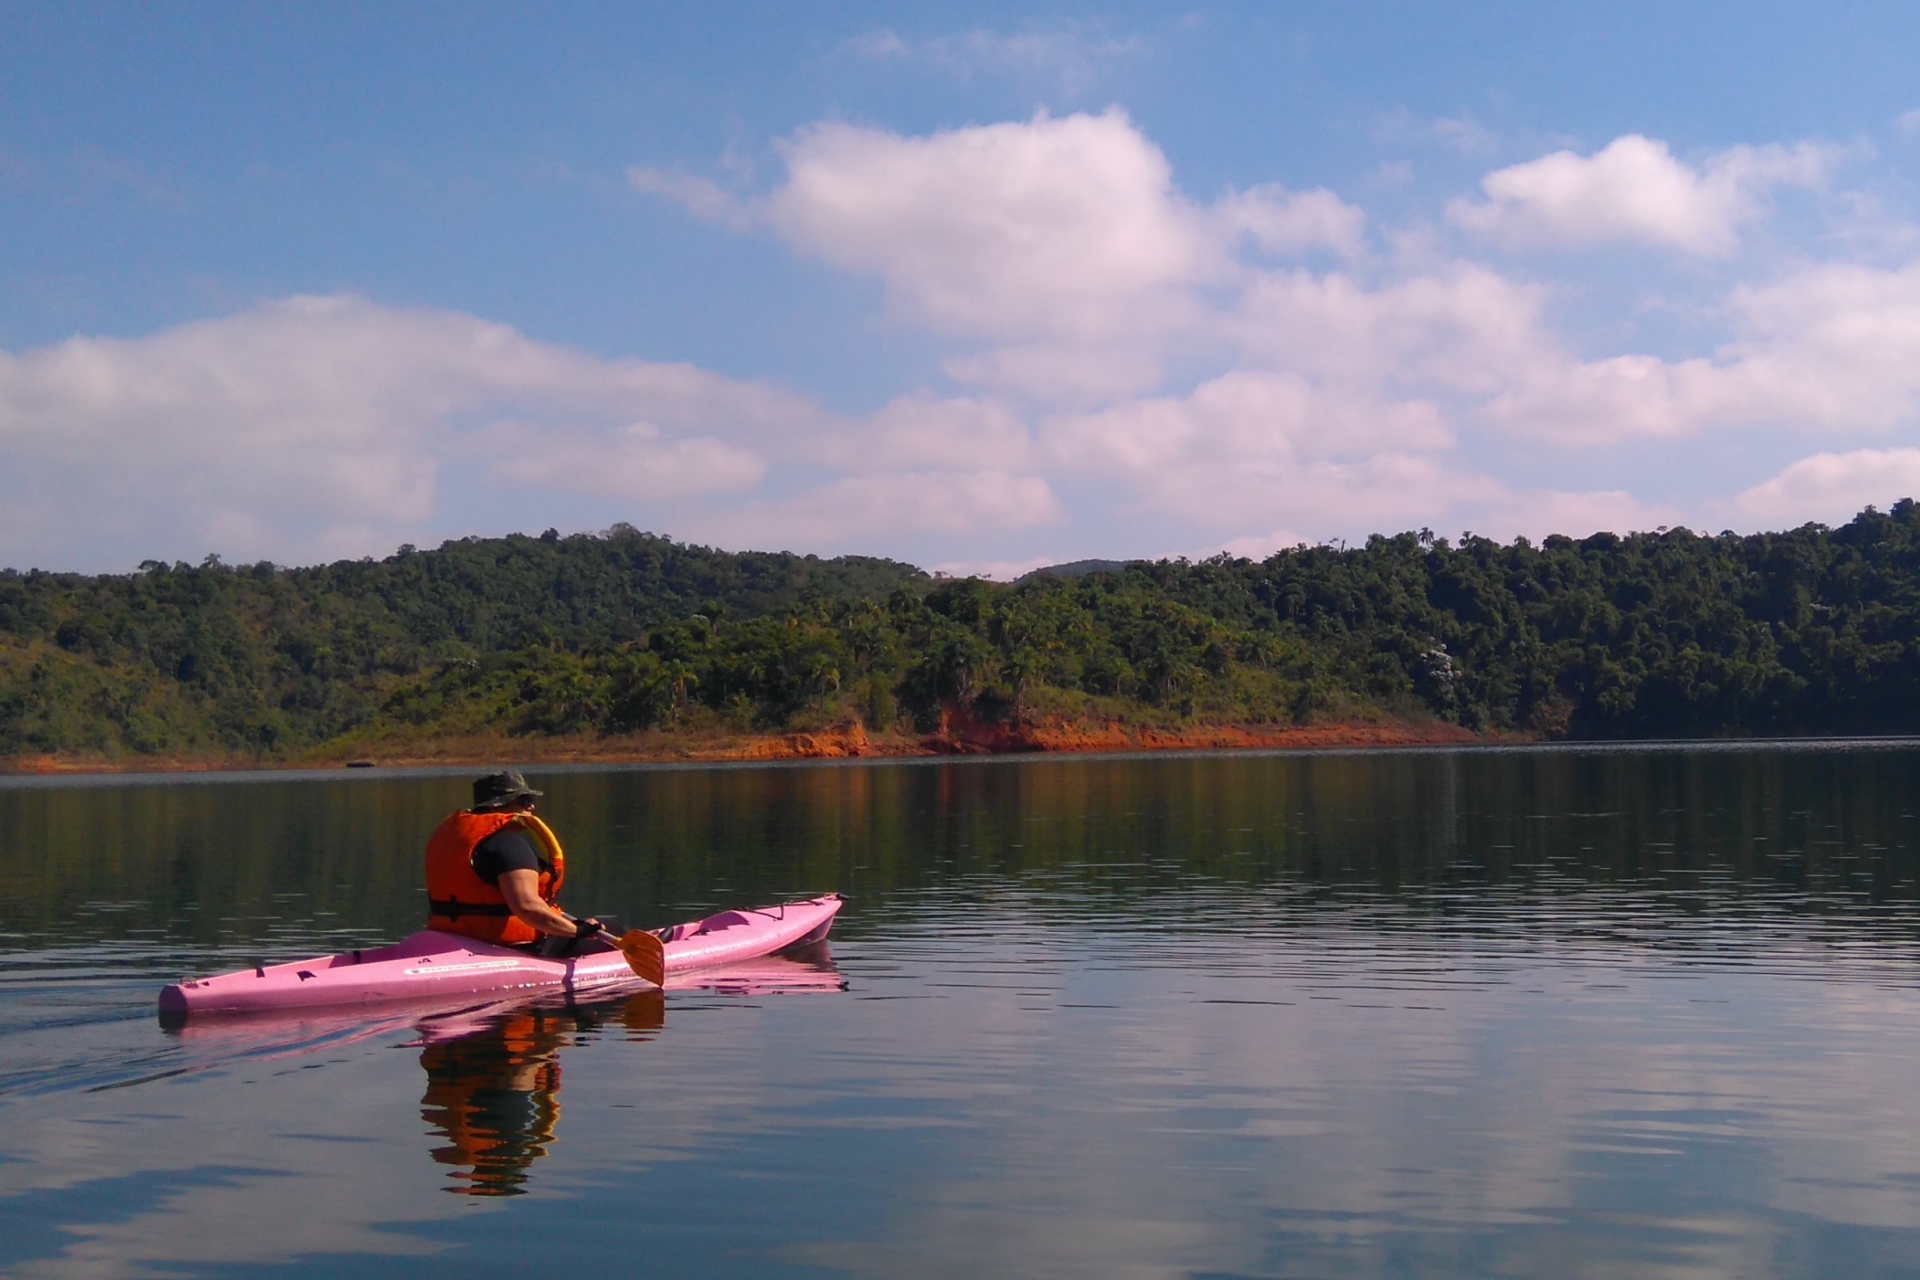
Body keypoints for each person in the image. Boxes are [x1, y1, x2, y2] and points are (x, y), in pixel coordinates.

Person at [424, 770, 604, 953]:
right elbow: (527, 907)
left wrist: (570, 924)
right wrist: (577, 931)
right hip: (512, 946)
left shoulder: (452, 837)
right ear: (495, 806)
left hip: (453, 937)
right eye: (524, 801)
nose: (531, 807)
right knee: (610, 930)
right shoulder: (507, 845)